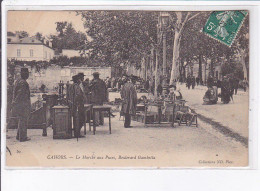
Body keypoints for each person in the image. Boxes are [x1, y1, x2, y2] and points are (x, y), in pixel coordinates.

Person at [11, 68, 31, 142]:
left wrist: (14, 103)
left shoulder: (18, 81)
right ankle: (22, 137)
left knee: (21, 120)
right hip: (22, 105)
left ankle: (18, 136)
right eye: (27, 73)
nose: (28, 75)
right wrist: (16, 102)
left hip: (19, 104)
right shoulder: (23, 82)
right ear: (24, 74)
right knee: (23, 120)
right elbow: (20, 94)